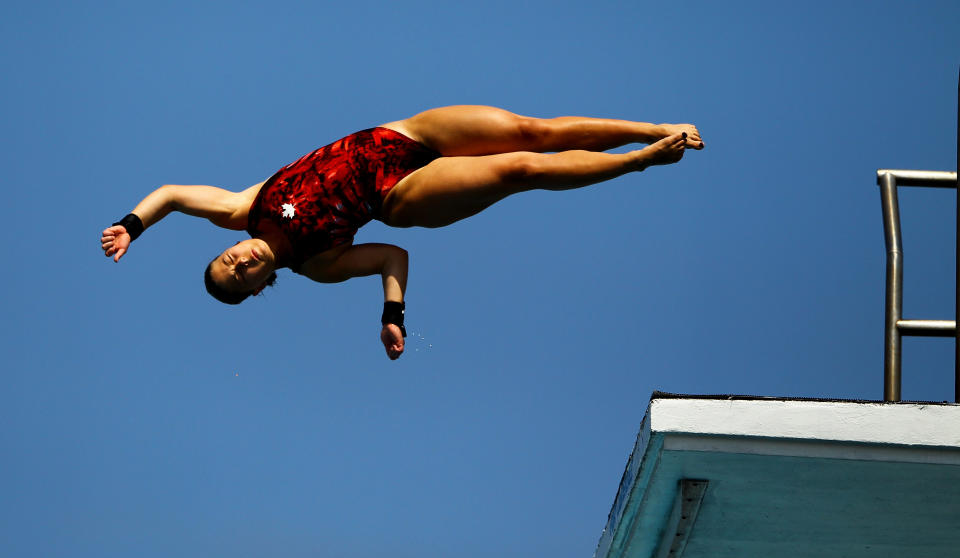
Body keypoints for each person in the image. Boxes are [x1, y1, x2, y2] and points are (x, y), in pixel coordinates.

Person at [101, 105, 703, 360]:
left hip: (402, 135)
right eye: (242, 275)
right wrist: (394, 315)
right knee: (521, 169)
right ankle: (643, 158)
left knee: (529, 129)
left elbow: (174, 196)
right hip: (400, 195)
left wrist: (133, 226)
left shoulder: (244, 208)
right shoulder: (317, 265)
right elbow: (392, 254)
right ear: (260, 287)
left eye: (228, 259)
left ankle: (651, 127)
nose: (240, 260)